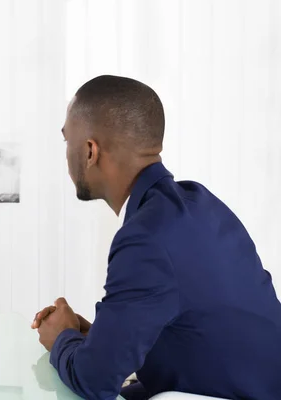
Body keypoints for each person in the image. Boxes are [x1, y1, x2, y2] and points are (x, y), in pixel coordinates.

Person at [31, 75, 281, 400]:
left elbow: (95, 382)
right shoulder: (198, 202)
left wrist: (61, 337)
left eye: (68, 141)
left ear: (90, 151)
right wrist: (103, 338)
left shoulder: (145, 238)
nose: (66, 154)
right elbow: (202, 323)